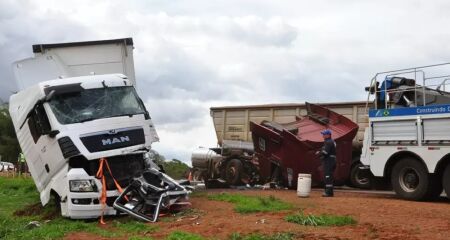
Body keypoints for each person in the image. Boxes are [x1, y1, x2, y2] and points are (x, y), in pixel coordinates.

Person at [316, 129, 336, 197]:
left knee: (328, 176)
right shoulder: (330, 141)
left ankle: (328, 192)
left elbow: (325, 152)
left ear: (328, 135)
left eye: (324, 134)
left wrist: (319, 154)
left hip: (329, 161)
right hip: (331, 160)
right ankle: (329, 192)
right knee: (329, 176)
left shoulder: (329, 142)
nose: (323, 136)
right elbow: (324, 149)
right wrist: (320, 151)